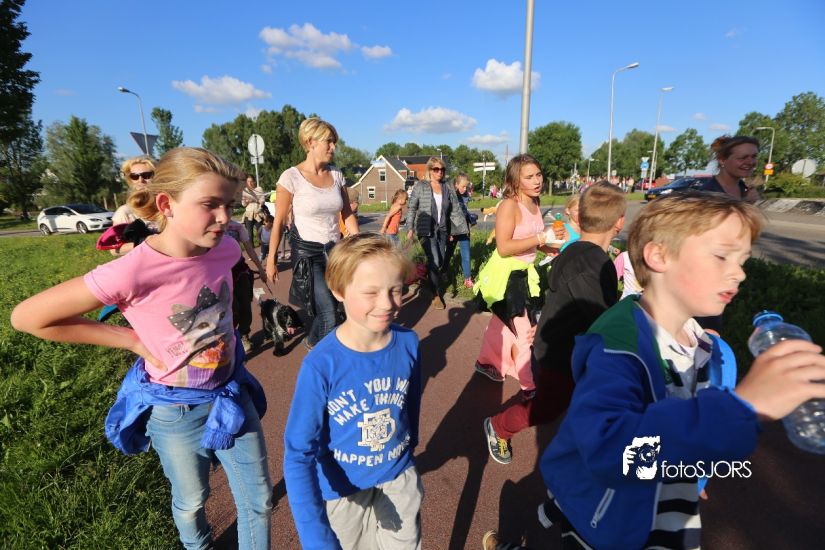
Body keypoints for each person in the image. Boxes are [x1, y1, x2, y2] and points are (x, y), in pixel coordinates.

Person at [11, 147, 273, 550]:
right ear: (166, 204)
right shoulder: (133, 269)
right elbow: (28, 317)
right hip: (175, 411)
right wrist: (131, 339)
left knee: (259, 501)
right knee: (192, 501)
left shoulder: (227, 249)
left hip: (231, 395)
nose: (224, 218)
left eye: (229, 205)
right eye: (210, 205)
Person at [538, 191, 825, 550]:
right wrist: (744, 406)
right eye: (721, 256)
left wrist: (693, 472)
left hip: (670, 514)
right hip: (608, 521)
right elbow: (612, 452)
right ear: (659, 256)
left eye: (743, 260)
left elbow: (697, 428)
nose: (739, 273)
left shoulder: (713, 352)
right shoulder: (617, 347)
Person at [283, 234, 422, 550]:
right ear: (338, 290)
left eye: (396, 289)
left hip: (398, 475)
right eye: (371, 292)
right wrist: (315, 536)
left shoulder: (409, 343)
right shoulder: (321, 365)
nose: (387, 303)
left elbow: (410, 404)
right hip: (342, 490)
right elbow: (298, 452)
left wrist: (409, 449)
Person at [482, 182, 626, 464]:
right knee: (546, 408)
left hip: (567, 344)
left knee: (582, 401)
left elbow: (561, 296)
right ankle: (499, 426)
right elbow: (601, 318)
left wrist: (547, 320)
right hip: (563, 353)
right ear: (619, 222)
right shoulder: (594, 265)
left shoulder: (573, 251)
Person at [472, 155, 560, 406]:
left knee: (500, 323)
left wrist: (552, 249)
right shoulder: (509, 206)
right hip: (507, 276)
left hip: (526, 273)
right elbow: (504, 247)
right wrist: (542, 239)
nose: (537, 181)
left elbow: (531, 240)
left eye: (538, 174)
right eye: (529, 177)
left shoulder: (535, 202)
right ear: (515, 180)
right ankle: (529, 387)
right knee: (524, 332)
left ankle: (485, 362)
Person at [265, 117, 359, 349]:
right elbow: (279, 222)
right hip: (308, 255)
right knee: (329, 314)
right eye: (329, 141)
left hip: (335, 252)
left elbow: (347, 213)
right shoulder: (291, 177)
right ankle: (321, 359)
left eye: (334, 142)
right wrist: (271, 259)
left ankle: (312, 341)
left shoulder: (336, 175)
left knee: (334, 308)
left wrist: (359, 246)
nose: (333, 147)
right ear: (310, 142)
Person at [404, 157, 466, 310]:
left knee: (441, 260)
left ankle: (427, 274)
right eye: (436, 169)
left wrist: (455, 229)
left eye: (442, 169)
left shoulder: (447, 187)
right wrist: (410, 228)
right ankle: (436, 295)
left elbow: (454, 210)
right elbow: (412, 207)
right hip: (426, 230)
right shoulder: (421, 186)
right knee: (436, 260)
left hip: (443, 229)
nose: (439, 172)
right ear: (430, 170)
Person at [225, 218, 268, 354]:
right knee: (233, 308)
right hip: (219, 274)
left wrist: (260, 269)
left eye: (229, 208)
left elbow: (249, 249)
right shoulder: (208, 226)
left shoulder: (237, 227)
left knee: (245, 305)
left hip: (239, 270)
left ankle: (244, 334)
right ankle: (229, 337)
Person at [111, 156, 157, 255]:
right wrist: (146, 243)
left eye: (146, 175)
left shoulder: (167, 206)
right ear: (130, 180)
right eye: (135, 176)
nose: (141, 180)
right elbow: (114, 250)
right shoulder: (124, 212)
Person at [700, 135, 761, 204]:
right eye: (743, 157)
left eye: (754, 156)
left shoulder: (744, 188)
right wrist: (746, 204)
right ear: (722, 160)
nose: (751, 162)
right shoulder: (709, 194)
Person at [444, 172, 474, 288]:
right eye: (463, 186)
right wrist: (449, 232)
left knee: (466, 254)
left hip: (464, 229)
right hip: (453, 229)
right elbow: (447, 214)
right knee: (449, 253)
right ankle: (443, 271)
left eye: (466, 186)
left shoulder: (465, 195)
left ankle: (467, 279)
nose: (465, 189)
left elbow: (464, 212)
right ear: (456, 184)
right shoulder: (450, 195)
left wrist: (470, 219)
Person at [241, 175, 265, 246]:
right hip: (249, 214)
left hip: (258, 214)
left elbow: (262, 201)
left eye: (251, 181)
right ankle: (252, 249)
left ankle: (263, 248)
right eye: (248, 181)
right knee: (249, 234)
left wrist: (253, 200)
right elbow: (243, 204)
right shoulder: (244, 191)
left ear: (254, 181)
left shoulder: (259, 189)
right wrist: (248, 201)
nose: (250, 183)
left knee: (260, 232)